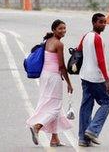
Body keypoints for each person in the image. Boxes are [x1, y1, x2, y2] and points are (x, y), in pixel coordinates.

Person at [27, 19, 74, 147]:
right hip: (54, 77)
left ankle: (54, 139)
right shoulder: (59, 44)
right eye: (60, 28)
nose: (63, 31)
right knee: (56, 106)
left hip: (44, 76)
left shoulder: (48, 40)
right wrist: (69, 83)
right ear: (54, 30)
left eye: (64, 28)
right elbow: (62, 66)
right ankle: (37, 126)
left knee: (51, 104)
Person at [76, 13, 109, 147]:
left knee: (86, 106)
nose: (103, 25)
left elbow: (77, 50)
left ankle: (83, 139)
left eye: (104, 22)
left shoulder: (86, 36)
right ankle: (92, 130)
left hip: (85, 76)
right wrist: (107, 81)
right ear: (93, 23)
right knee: (107, 102)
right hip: (96, 78)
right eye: (100, 22)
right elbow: (101, 60)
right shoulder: (97, 38)